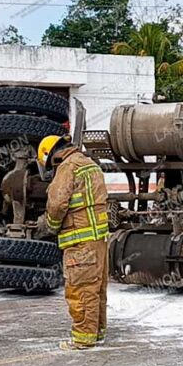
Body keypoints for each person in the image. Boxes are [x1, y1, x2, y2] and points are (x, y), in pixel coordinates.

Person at [38, 135, 110, 351]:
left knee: (81, 289)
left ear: (52, 156)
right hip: (98, 239)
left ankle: (83, 339)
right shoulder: (90, 164)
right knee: (96, 288)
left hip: (80, 240)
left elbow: (57, 204)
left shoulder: (67, 167)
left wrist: (50, 226)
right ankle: (97, 332)